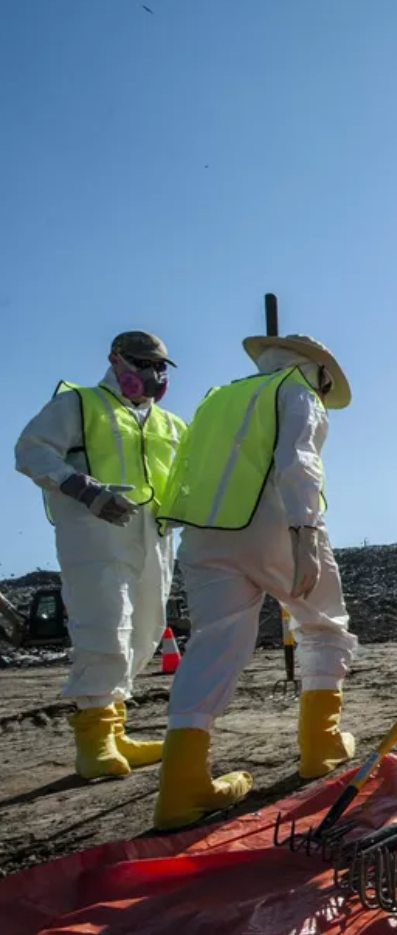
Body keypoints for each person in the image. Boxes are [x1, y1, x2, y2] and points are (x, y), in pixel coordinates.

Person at [152, 332, 357, 829]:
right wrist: (305, 531)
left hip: (204, 534)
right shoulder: (298, 390)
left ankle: (181, 787)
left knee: (213, 644)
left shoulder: (218, 398)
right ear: (319, 370)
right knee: (323, 623)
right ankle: (320, 746)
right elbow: (299, 460)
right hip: (273, 523)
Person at [13, 331, 186, 780]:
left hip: (153, 535)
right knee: (107, 625)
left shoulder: (169, 424)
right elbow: (30, 451)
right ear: (116, 361)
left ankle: (116, 730)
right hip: (95, 532)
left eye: (161, 367)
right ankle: (93, 742)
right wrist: (83, 489)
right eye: (144, 364)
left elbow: (192, 474)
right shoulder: (81, 404)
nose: (154, 374)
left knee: (144, 630)